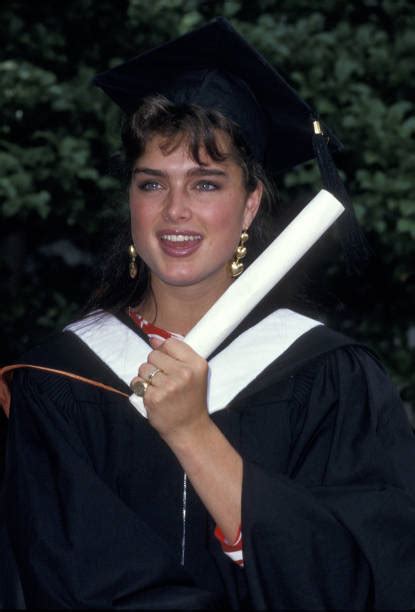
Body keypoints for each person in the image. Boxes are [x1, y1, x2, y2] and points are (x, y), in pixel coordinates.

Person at [2, 17, 415, 610]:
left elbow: (366, 577)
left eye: (205, 184)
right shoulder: (60, 382)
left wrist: (194, 432)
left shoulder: (331, 378)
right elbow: (65, 578)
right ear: (130, 200)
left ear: (249, 206)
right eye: (151, 184)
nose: (174, 212)